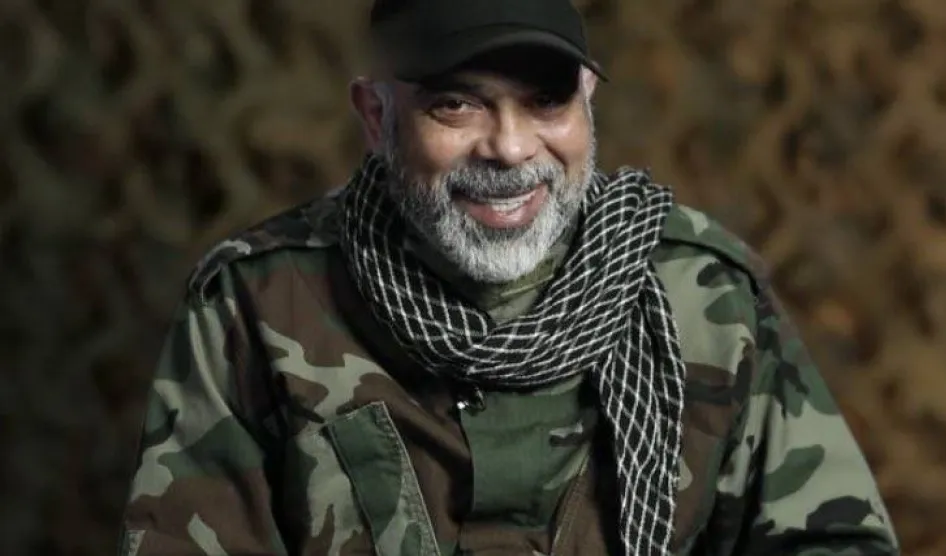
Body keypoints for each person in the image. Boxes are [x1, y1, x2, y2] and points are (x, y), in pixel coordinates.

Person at [116, 0, 900, 554]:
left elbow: (833, 541)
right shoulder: (257, 307)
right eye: (458, 105)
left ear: (587, 100)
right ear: (376, 116)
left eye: (547, 101)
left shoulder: (705, 296)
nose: (512, 148)